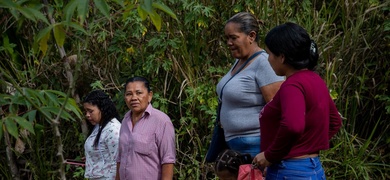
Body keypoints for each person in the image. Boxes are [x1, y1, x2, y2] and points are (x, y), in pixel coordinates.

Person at [252, 22, 342, 179]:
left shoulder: (292, 86)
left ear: (282, 57)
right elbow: (334, 121)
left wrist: (270, 155)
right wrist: (307, 145)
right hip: (313, 168)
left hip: (289, 170)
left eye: (270, 54)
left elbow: (293, 126)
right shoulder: (315, 80)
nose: (268, 60)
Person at [217, 12, 284, 158]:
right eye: (227, 38)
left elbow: (276, 109)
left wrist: (270, 153)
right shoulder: (240, 61)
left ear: (251, 36)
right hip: (235, 145)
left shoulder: (264, 63)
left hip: (254, 145)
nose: (229, 43)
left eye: (233, 38)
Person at [116, 76, 176, 180]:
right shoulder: (125, 121)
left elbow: (168, 161)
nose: (134, 98)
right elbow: (120, 159)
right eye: (129, 94)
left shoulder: (161, 121)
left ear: (149, 96)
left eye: (139, 93)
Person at [82, 90, 121, 180]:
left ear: (102, 109)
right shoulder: (98, 126)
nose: (87, 115)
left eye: (90, 111)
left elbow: (117, 162)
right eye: (86, 111)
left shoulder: (113, 129)